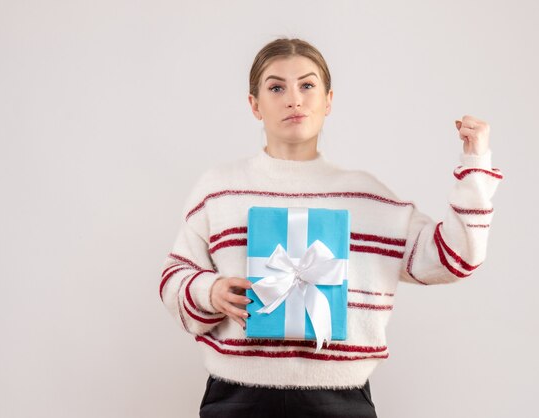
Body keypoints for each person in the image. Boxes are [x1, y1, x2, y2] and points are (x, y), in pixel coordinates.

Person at [159, 38, 503, 418]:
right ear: (254, 105)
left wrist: (476, 165)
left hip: (340, 400)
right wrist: (211, 292)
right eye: (276, 87)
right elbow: (175, 278)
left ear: (328, 100)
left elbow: (456, 259)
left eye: (307, 85)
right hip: (237, 398)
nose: (294, 99)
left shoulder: (369, 198)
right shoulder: (218, 190)